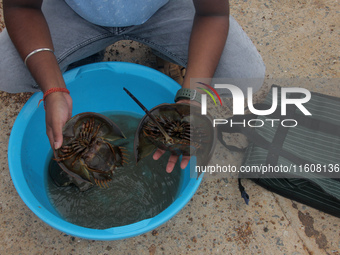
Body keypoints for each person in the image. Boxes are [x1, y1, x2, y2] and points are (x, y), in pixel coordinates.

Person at [1, 0, 265, 173]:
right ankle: (84, 55)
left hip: (164, 10)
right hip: (75, 14)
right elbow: (19, 6)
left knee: (244, 75)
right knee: (8, 71)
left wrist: (192, 96)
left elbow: (213, 12)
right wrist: (53, 88)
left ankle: (170, 54)